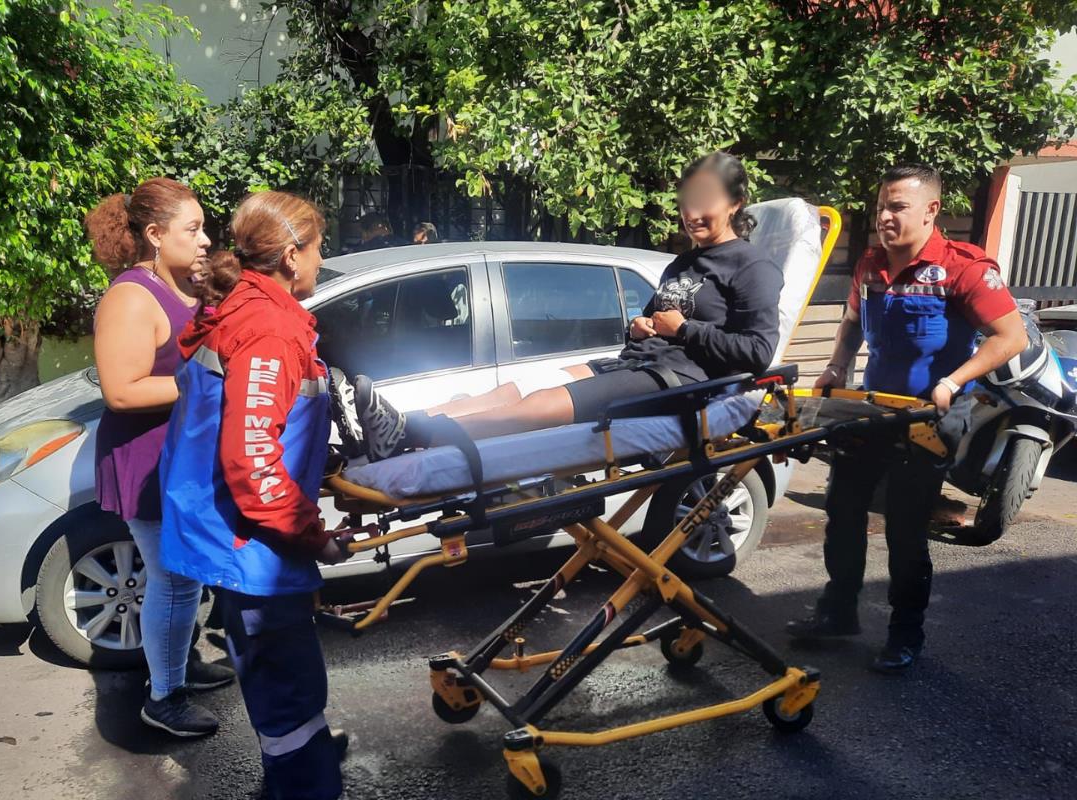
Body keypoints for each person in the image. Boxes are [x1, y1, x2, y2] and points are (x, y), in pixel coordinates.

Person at [339, 152, 784, 460]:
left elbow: (758, 351)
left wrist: (683, 331)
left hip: (678, 383)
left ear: (736, 203)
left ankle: (413, 438)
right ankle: (399, 422)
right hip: (634, 363)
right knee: (513, 388)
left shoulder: (751, 266)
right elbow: (655, 318)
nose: (693, 213)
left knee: (541, 404)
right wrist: (642, 326)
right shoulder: (684, 262)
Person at [785, 164, 1028, 674]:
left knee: (904, 528)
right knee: (843, 511)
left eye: (897, 206)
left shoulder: (964, 267)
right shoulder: (870, 264)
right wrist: (836, 364)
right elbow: (852, 322)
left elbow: (1011, 338)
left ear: (931, 210)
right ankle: (837, 614)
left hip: (932, 415)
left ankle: (904, 634)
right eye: (881, 207)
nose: (885, 217)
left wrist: (954, 380)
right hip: (873, 407)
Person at [159, 191, 352, 799]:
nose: (324, 261)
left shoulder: (241, 308)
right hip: (254, 547)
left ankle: (303, 759)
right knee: (286, 690)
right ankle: (304, 781)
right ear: (292, 255)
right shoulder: (268, 329)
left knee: (285, 687)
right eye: (320, 249)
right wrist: (315, 536)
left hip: (240, 536)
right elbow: (253, 462)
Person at [86, 177, 234, 738]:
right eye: (192, 229)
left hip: (178, 456)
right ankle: (164, 697)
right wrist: (205, 379)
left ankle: (180, 665)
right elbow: (121, 390)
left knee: (186, 577)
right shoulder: (130, 296)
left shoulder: (176, 284)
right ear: (154, 234)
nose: (204, 240)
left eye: (203, 228)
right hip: (145, 462)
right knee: (173, 581)